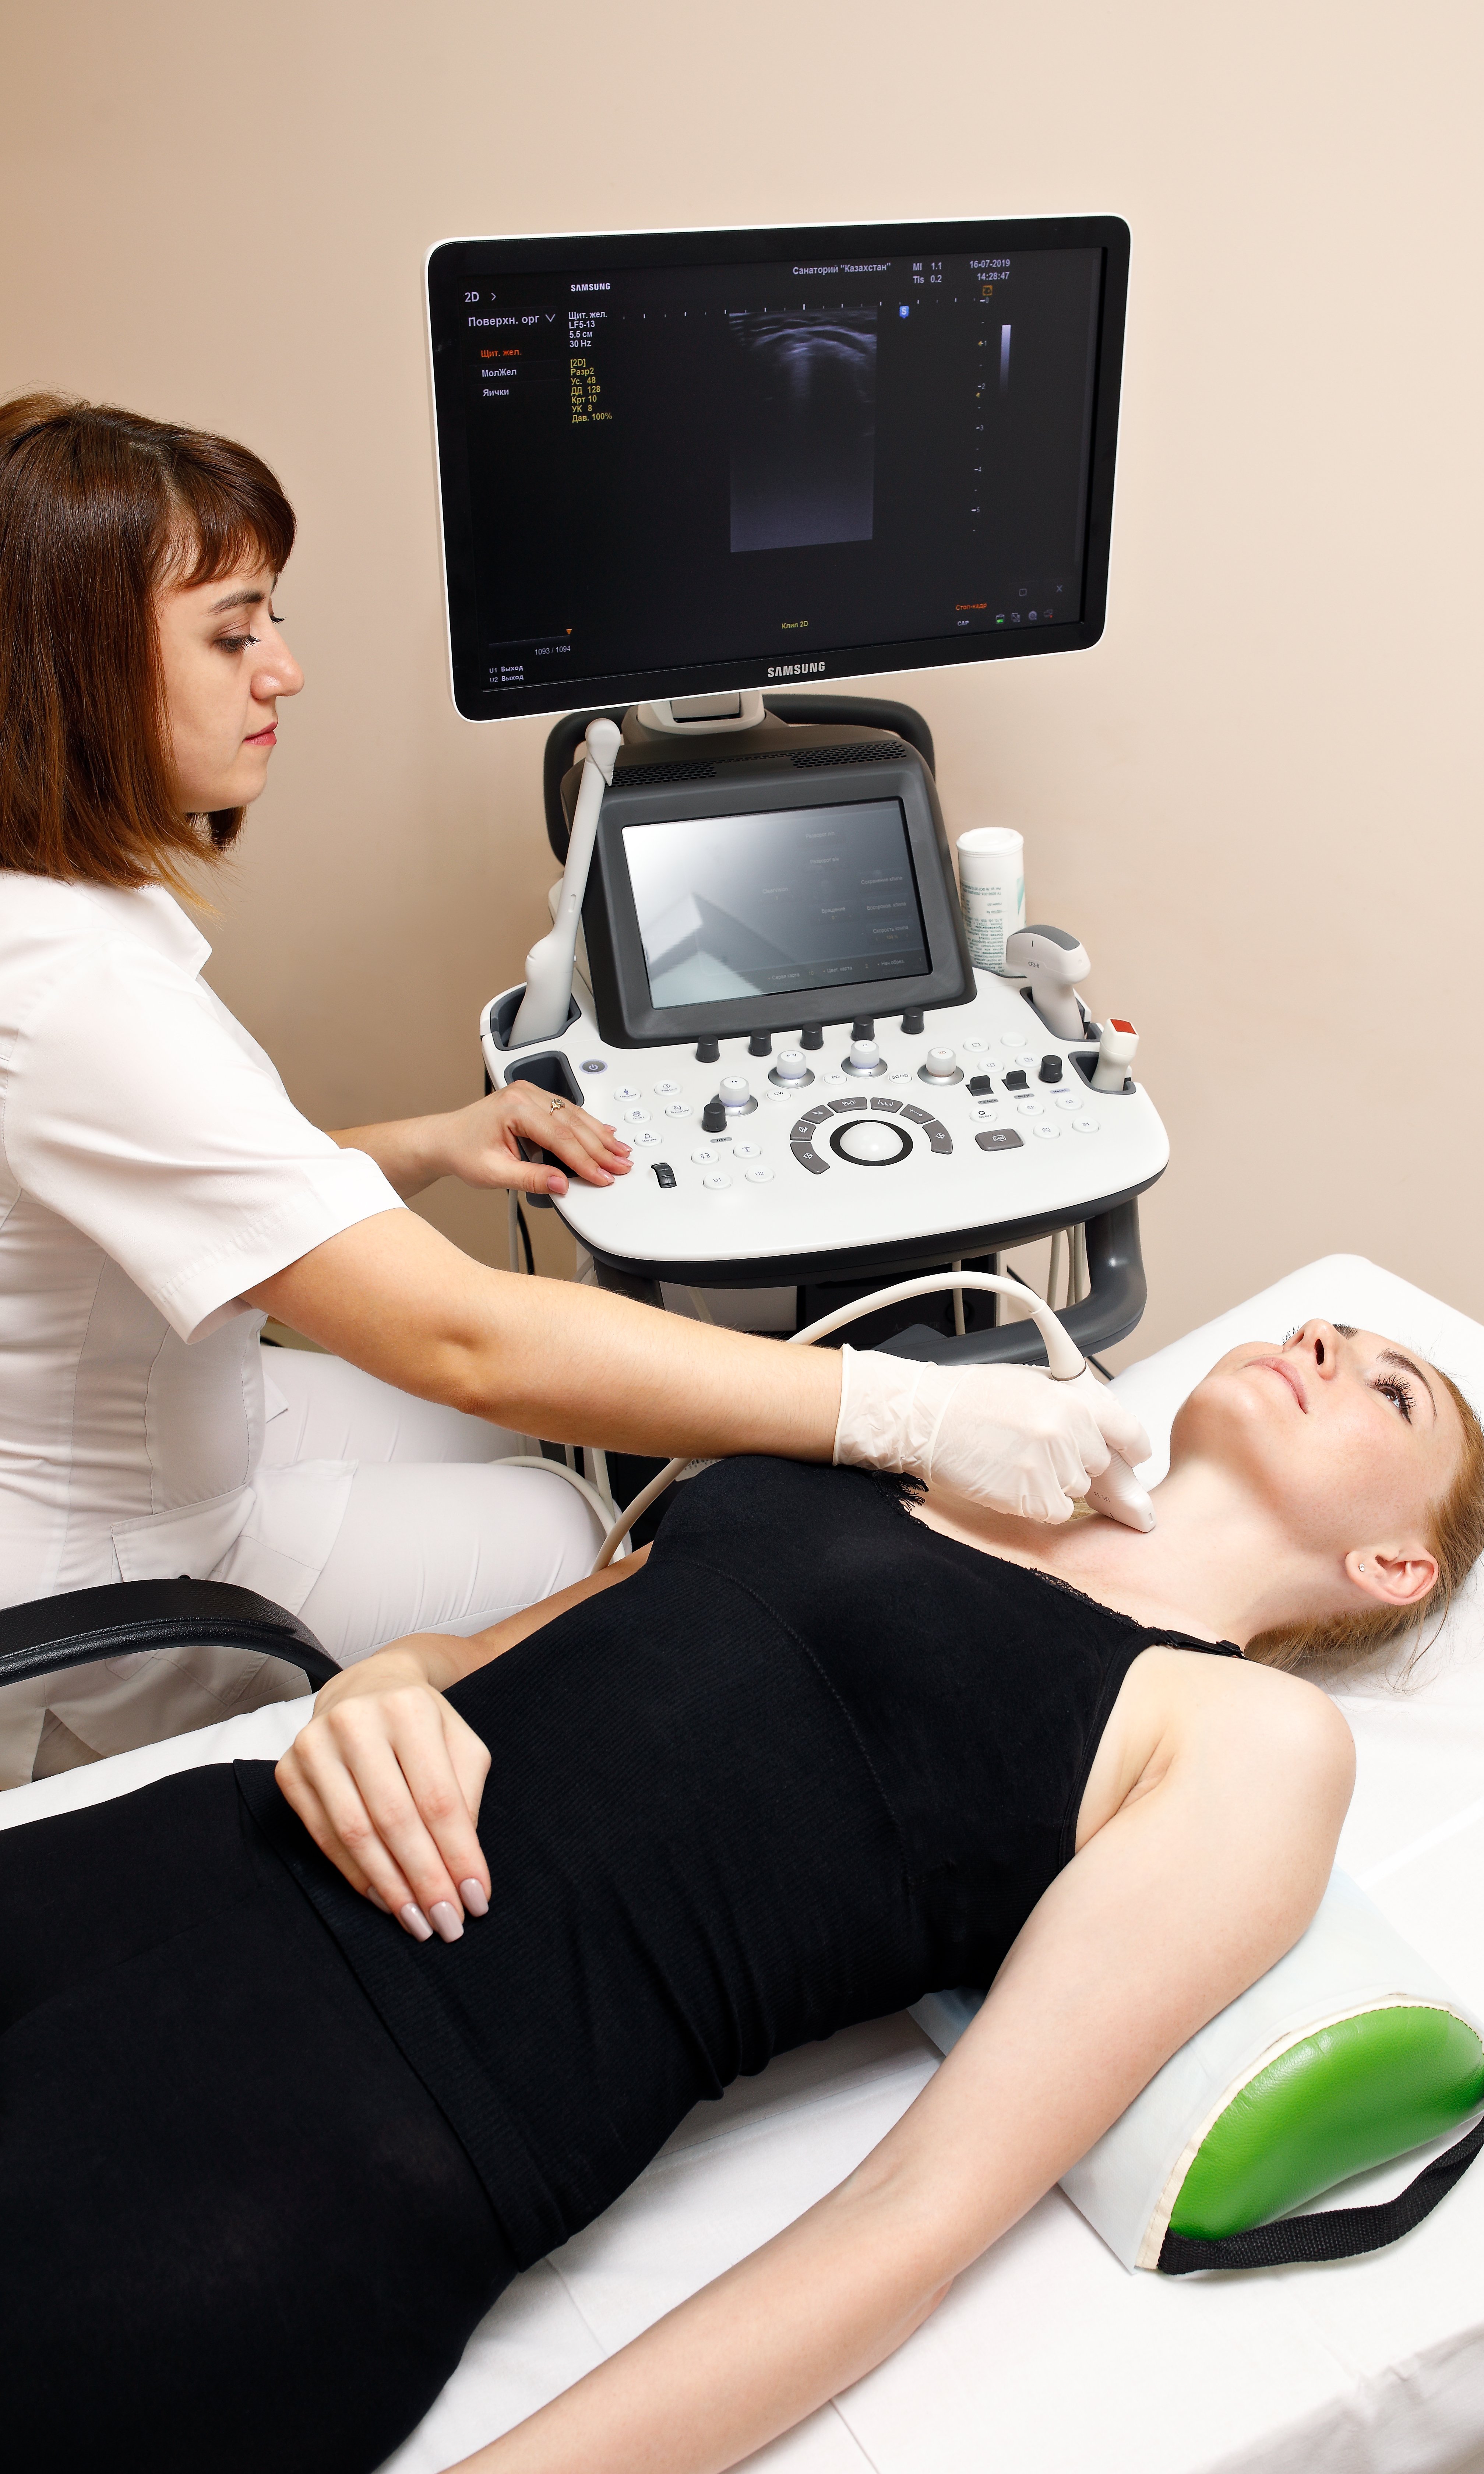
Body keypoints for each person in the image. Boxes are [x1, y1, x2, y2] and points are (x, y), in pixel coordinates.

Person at [0, 1318, 1484, 2471]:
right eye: (1326, 1331)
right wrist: (374, 1689)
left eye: (1391, 1389)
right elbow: (480, 1657)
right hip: (211, 1849)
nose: (1323, 1345)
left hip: (370, 2116)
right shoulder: (931, 1456)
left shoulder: (1247, 1736)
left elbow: (913, 2215)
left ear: (1395, 1566)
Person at [0, 392, 1147, 1784]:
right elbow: (464, 1337)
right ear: (69, 670)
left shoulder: (53, 924)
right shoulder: (81, 1000)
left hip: (158, 1406)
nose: (284, 672)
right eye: (235, 633)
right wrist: (919, 1412)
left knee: (528, 1432)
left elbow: (192, 1188)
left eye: (273, 622)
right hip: (117, 1558)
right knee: (567, 1515)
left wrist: (432, 1140)